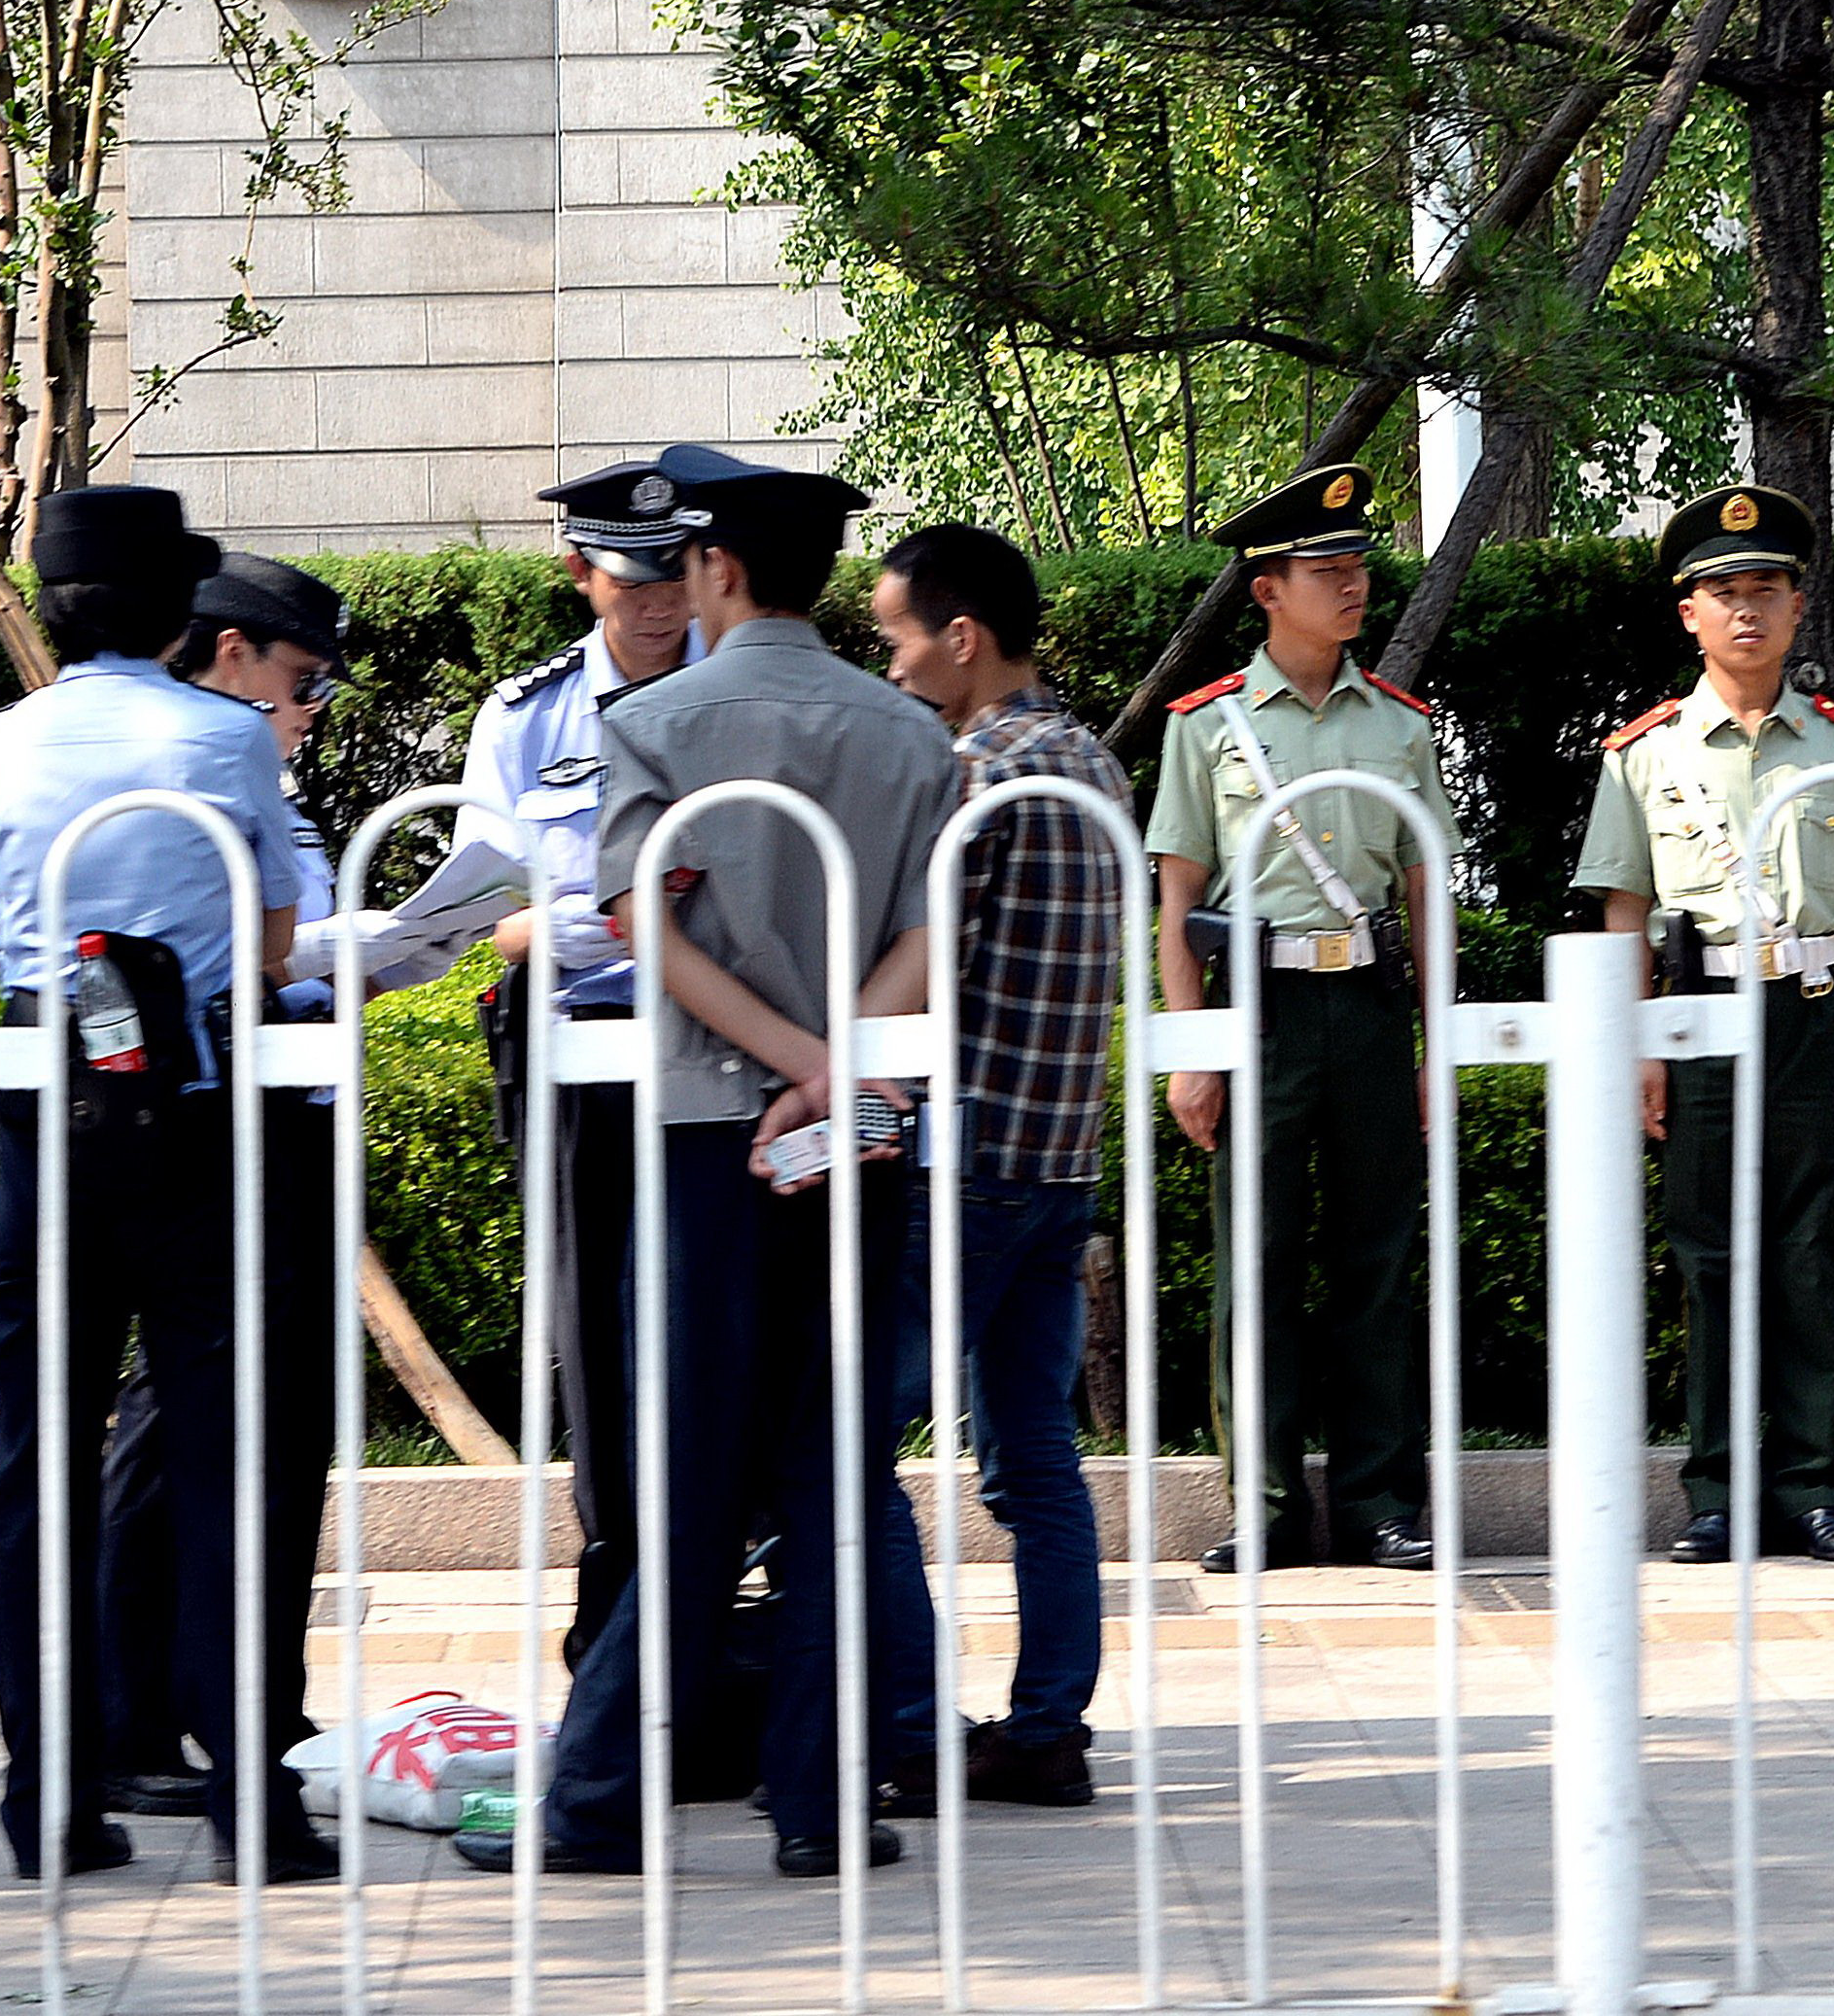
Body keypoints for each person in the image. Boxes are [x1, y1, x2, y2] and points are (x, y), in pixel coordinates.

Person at [454, 443, 959, 1881]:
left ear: (719, 567)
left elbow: (646, 937)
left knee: (686, 1472)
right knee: (829, 1468)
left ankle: (598, 1796)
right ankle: (819, 1802)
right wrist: (834, 1063)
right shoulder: (910, 733)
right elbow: (929, 936)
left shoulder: (660, 726)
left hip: (703, 1139)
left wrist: (781, 1065)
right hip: (863, 1131)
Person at [0, 486, 338, 1885]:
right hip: (193, 1117)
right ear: (183, 618)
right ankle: (252, 1799)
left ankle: (46, 1801)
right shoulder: (226, 737)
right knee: (227, 1456)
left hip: (45, 1125)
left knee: (34, 1474)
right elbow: (277, 929)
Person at [1573, 485, 1834, 1564]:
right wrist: (1638, 1043)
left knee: (1811, 1251)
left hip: (1813, 1013)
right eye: (1724, 591)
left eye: (1765, 588)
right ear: (1690, 613)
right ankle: (1717, 1492)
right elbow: (1624, 905)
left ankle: (1815, 1486)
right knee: (1712, 1256)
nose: (1746, 609)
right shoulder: (1643, 753)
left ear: (1798, 603)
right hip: (1700, 1017)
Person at [1144, 464, 1456, 1575]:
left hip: (1367, 1003)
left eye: (1359, 565)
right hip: (1259, 1007)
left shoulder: (1402, 725)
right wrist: (1190, 1051)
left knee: (1379, 1255)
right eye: (1327, 570)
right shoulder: (1209, 727)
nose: (1353, 584)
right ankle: (1266, 1503)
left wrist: (1432, 1045)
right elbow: (1177, 892)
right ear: (1267, 588)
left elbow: (1425, 892)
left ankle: (1381, 1500)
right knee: (1255, 1260)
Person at [872, 522, 1130, 1804]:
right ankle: (1046, 1733)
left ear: (960, 637)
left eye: (897, 637)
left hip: (961, 1166)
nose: (893, 664)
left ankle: (909, 1727)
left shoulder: (973, 775)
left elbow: (929, 965)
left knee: (851, 1443)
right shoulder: (1092, 763)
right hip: (1060, 1165)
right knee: (1037, 1460)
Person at [98, 551, 350, 1815]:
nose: (312, 709)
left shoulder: (251, 763)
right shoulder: (189, 754)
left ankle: (255, 1699)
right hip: (207, 1114)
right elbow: (232, 946)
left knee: (289, 1424)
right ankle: (135, 1717)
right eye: (303, 680)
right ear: (234, 653)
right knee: (175, 1420)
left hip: (287, 1104)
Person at [449, 460, 705, 1669]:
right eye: (633, 579)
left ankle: (720, 1559)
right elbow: (473, 910)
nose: (660, 603)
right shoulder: (527, 715)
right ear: (580, 574)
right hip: (575, 1037)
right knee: (593, 1325)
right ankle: (617, 1574)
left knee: (713, 1305)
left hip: (716, 1039)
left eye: (677, 575)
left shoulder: (732, 688)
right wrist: (538, 925)